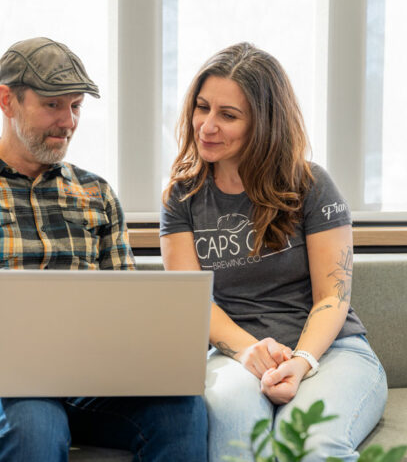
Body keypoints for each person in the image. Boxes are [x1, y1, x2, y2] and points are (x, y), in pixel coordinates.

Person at [0, 37, 208, 461]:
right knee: (34, 424)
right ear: (7, 101)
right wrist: (4, 290)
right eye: (53, 105)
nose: (68, 121)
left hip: (91, 375)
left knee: (181, 411)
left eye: (76, 106)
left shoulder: (96, 192)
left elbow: (125, 300)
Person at [159, 42, 387, 462]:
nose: (207, 125)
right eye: (202, 107)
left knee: (310, 446)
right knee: (237, 439)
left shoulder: (311, 185)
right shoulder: (182, 197)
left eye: (227, 116)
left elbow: (333, 296)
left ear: (264, 124)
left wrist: (300, 361)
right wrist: (251, 352)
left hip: (330, 352)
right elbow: (191, 301)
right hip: (234, 353)